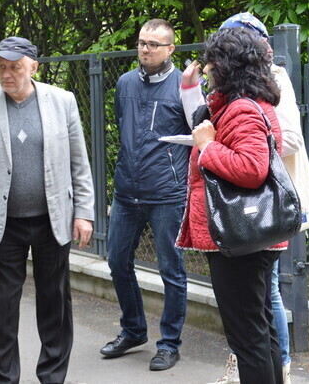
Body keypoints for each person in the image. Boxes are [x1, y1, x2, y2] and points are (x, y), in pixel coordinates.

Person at [0, 36, 95, 384]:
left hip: (52, 219)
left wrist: (84, 212)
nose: (6, 73)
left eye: (15, 67)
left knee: (55, 302)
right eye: (1, 67)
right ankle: (2, 378)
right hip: (4, 222)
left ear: (34, 67)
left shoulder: (63, 101)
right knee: (4, 305)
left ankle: (52, 375)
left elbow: (80, 163)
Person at [181, 12, 301, 383]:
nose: (209, 69)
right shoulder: (251, 103)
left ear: (227, 66)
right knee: (259, 333)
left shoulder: (242, 108)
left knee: (247, 339)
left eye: (213, 62)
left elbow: (252, 168)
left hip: (239, 239)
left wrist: (207, 147)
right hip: (250, 239)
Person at [100, 19, 191, 371]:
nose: (145, 49)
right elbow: (125, 130)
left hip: (167, 193)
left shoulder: (185, 86)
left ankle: (169, 343)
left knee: (172, 270)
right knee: (117, 263)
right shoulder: (124, 84)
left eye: (154, 44)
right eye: (141, 43)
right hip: (127, 192)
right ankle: (134, 330)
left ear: (170, 49)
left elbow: (198, 134)